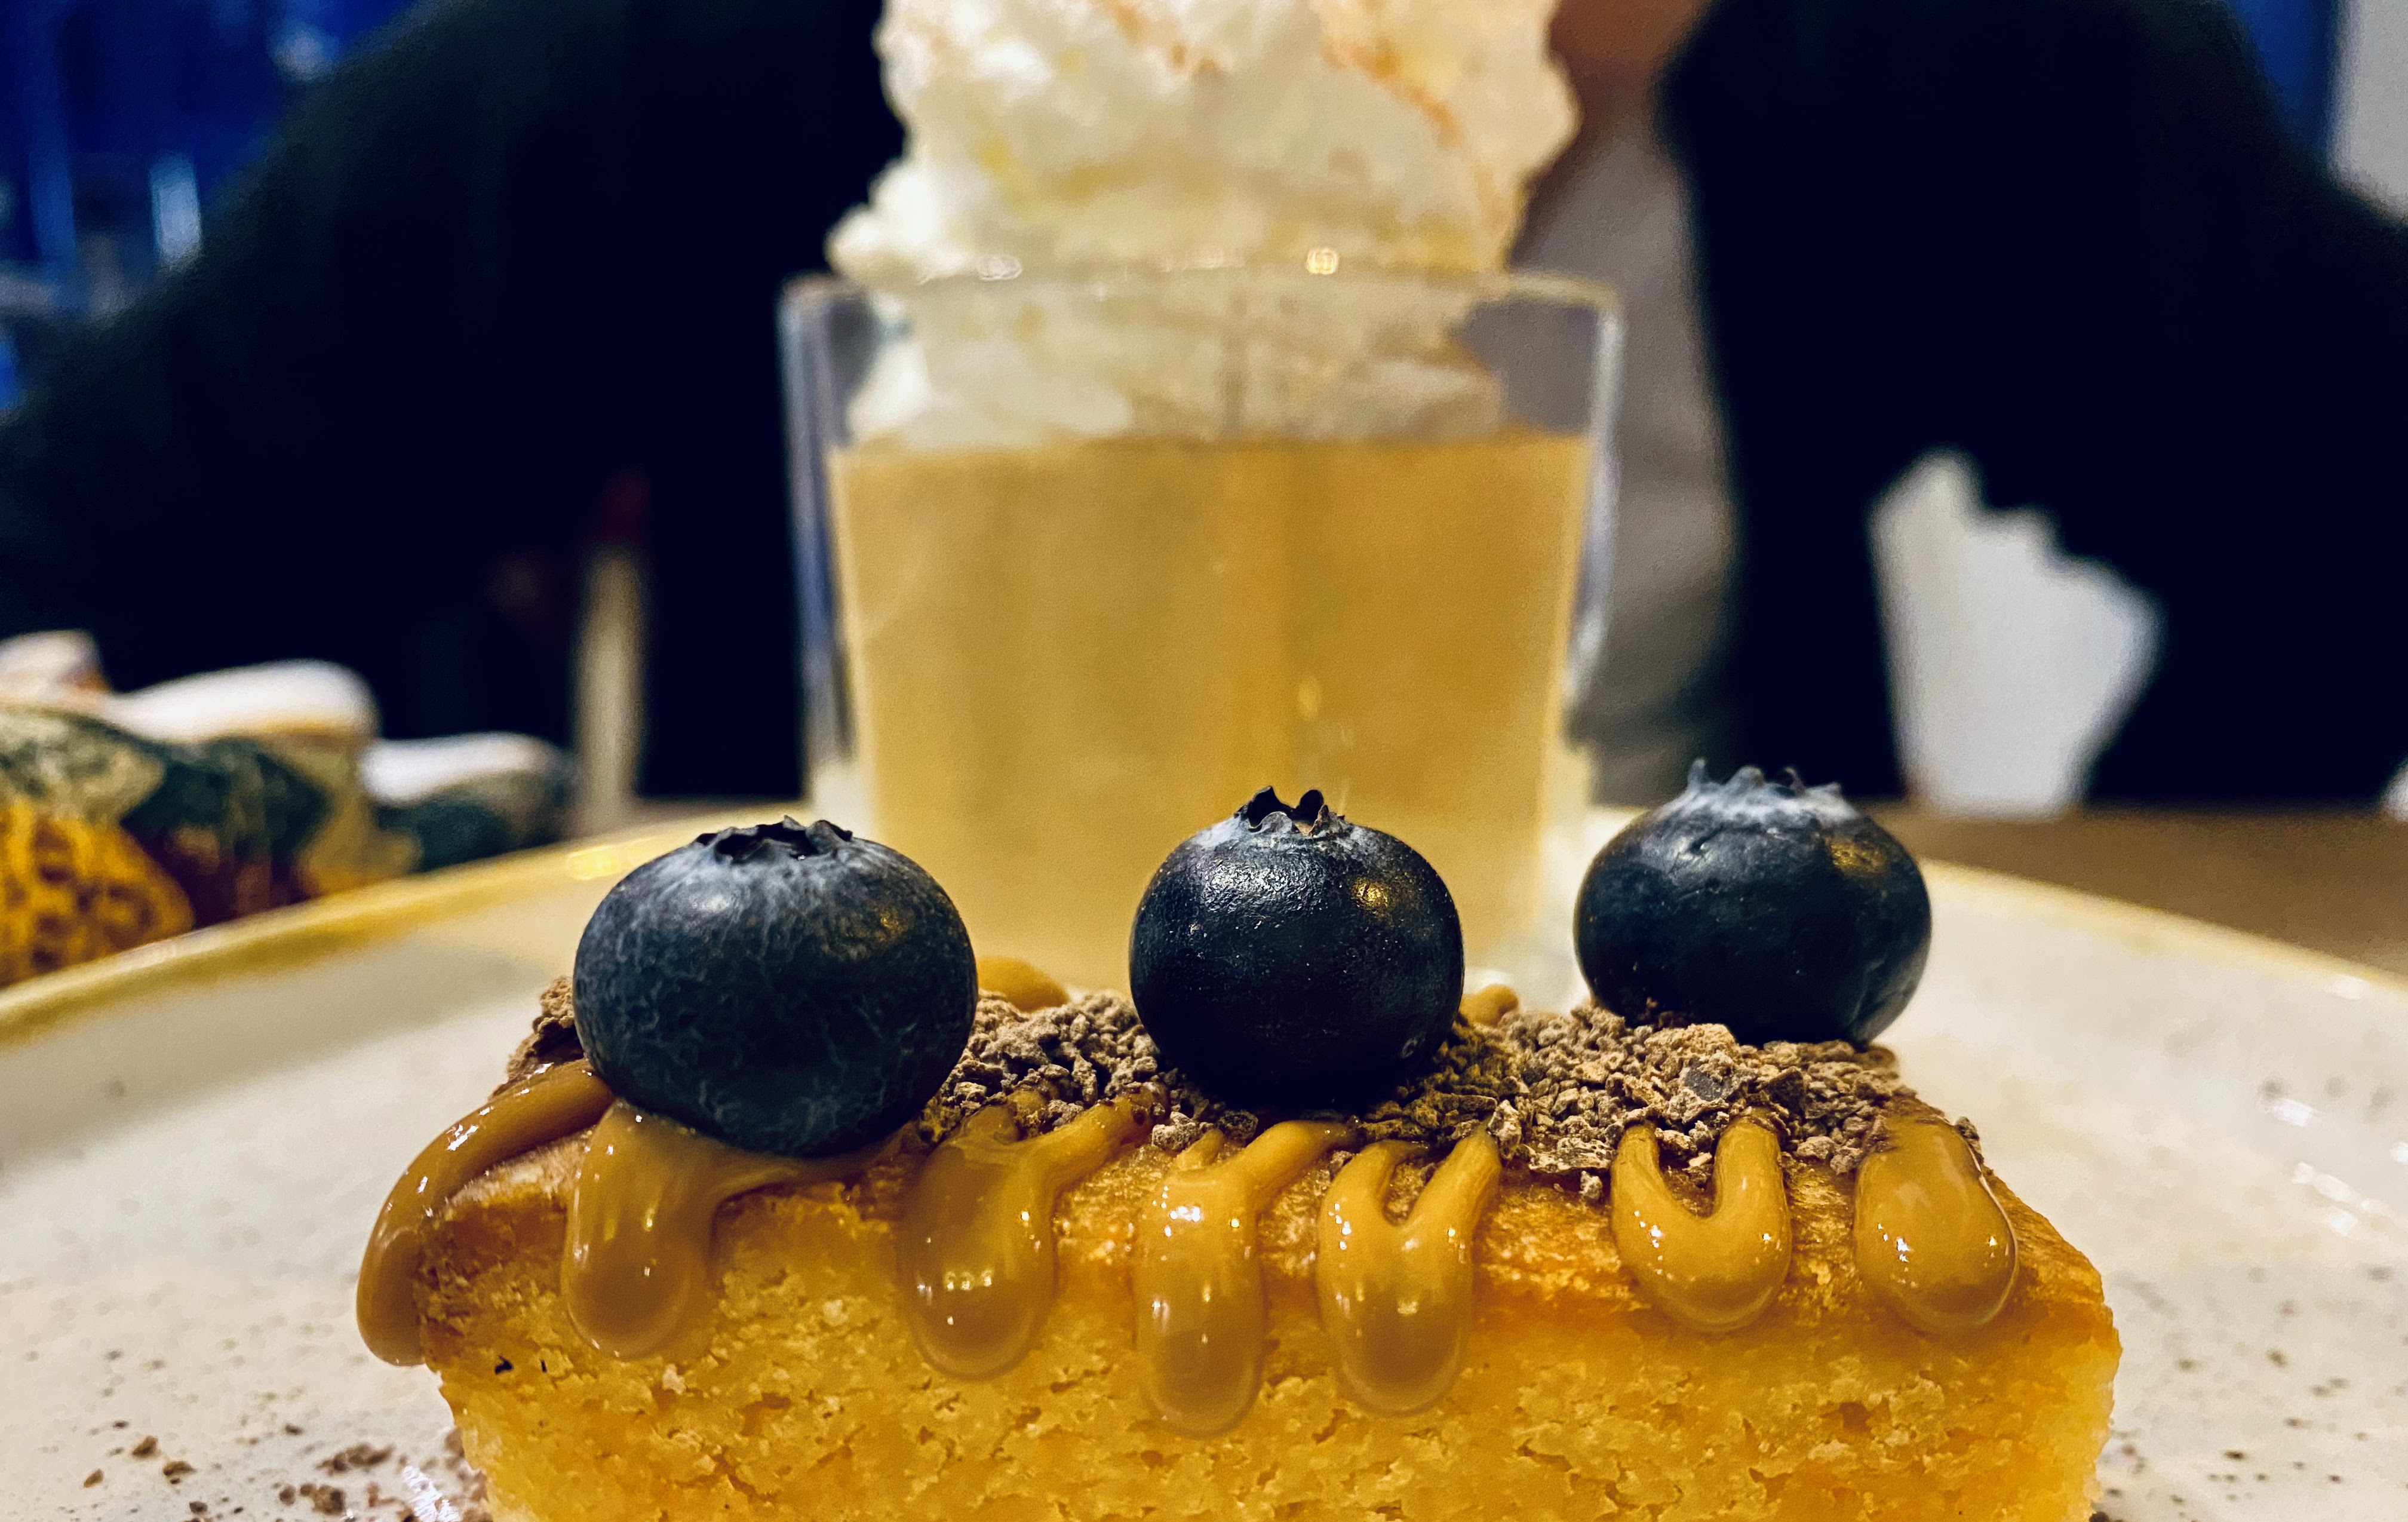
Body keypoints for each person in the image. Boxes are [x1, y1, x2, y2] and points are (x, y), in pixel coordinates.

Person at [1, 0, 2403, 805]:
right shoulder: (689, 69)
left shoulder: (1964, 69)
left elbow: (2359, 489)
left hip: (1596, 1117)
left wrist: (2136, 875)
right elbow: (92, 534)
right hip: (899, 1109)